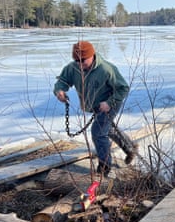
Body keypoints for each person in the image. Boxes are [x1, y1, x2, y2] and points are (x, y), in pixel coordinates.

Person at [53, 40, 137, 177]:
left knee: (98, 133)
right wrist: (59, 91)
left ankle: (105, 167)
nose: (80, 64)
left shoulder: (106, 69)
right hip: (95, 106)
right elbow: (62, 81)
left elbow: (123, 88)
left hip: (110, 104)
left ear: (92, 55)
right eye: (77, 60)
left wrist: (109, 102)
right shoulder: (73, 68)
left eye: (83, 60)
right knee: (106, 129)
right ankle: (130, 147)